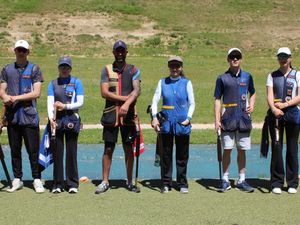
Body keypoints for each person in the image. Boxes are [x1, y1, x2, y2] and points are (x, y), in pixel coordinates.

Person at [95, 40, 141, 194]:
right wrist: (126, 100)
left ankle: (129, 181)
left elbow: (136, 91)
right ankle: (105, 181)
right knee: (108, 148)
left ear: (126, 52)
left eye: (122, 51)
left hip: (128, 117)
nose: (120, 53)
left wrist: (127, 105)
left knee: (129, 148)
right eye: (117, 51)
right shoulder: (106, 70)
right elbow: (104, 93)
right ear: (113, 52)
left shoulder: (134, 69)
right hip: (110, 116)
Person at [0, 40, 45, 193]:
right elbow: (2, 90)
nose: (21, 53)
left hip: (29, 116)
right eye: (19, 50)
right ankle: (17, 179)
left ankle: (37, 179)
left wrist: (16, 97)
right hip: (13, 117)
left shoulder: (35, 69)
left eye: (24, 50)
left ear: (28, 52)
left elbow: (36, 93)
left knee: (33, 150)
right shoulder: (6, 69)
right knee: (15, 149)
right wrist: (4, 96)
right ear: (14, 51)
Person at [214, 48, 256, 193]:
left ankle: (241, 180)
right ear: (228, 59)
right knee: (227, 149)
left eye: (237, 56)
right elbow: (217, 100)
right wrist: (217, 119)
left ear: (241, 59)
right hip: (227, 119)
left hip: (243, 119)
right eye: (232, 57)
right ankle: (225, 179)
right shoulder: (222, 78)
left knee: (242, 150)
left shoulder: (247, 76)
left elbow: (253, 92)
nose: (235, 59)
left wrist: (252, 105)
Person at [151, 56, 195, 194]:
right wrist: (154, 118)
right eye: (172, 66)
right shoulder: (162, 82)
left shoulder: (187, 83)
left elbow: (192, 103)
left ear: (181, 67)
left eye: (177, 66)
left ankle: (182, 183)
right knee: (166, 154)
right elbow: (154, 101)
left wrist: (188, 118)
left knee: (182, 155)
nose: (174, 69)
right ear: (169, 67)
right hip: (166, 124)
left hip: (182, 123)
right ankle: (166, 183)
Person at [47, 56, 84, 194]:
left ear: (70, 68)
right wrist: (51, 119)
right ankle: (57, 183)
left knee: (71, 152)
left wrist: (65, 106)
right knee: (57, 153)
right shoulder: (52, 83)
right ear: (58, 68)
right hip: (57, 120)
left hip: (72, 120)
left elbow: (80, 102)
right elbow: (50, 103)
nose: (64, 69)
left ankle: (72, 183)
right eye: (62, 67)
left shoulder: (76, 82)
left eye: (66, 67)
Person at [266, 47, 300, 194]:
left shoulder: (297, 75)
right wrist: (274, 109)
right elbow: (269, 95)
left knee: (292, 149)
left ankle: (292, 183)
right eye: (280, 56)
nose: (283, 59)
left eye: (285, 57)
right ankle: (276, 183)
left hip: (293, 113)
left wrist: (286, 105)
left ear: (290, 58)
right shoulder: (272, 75)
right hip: (276, 115)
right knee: (277, 147)